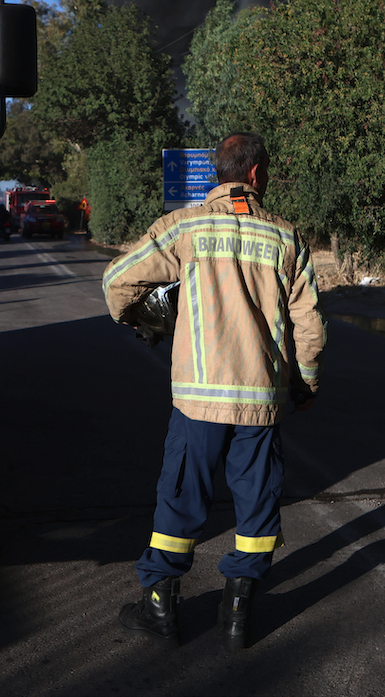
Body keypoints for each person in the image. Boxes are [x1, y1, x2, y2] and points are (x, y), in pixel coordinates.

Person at [102, 132, 326, 650]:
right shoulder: (286, 239)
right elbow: (308, 322)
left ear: (218, 175)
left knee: (180, 498)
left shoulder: (184, 228)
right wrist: (306, 381)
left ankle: (160, 607)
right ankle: (239, 611)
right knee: (257, 503)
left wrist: (146, 318)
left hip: (197, 402)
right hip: (260, 401)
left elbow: (117, 281)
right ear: (253, 175)